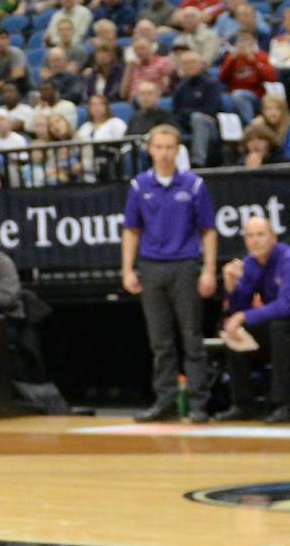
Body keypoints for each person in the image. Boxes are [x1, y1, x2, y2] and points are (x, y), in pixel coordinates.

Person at [121, 122, 219, 423]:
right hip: (151, 267)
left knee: (191, 337)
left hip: (185, 265)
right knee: (159, 340)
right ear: (150, 149)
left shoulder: (193, 185)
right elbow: (131, 230)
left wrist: (209, 271)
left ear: (178, 150)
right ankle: (164, 401)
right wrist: (127, 269)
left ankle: (199, 403)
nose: (164, 153)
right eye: (159, 147)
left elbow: (209, 231)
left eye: (169, 148)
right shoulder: (139, 186)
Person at [221, 213, 290, 422]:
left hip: (285, 323)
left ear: (274, 237)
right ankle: (243, 403)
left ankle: (284, 404)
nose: (255, 240)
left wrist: (243, 315)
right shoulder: (250, 263)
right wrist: (231, 286)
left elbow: (286, 305)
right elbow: (238, 309)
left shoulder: (287, 258)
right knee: (233, 331)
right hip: (277, 326)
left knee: (279, 327)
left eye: (261, 234)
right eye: (250, 235)